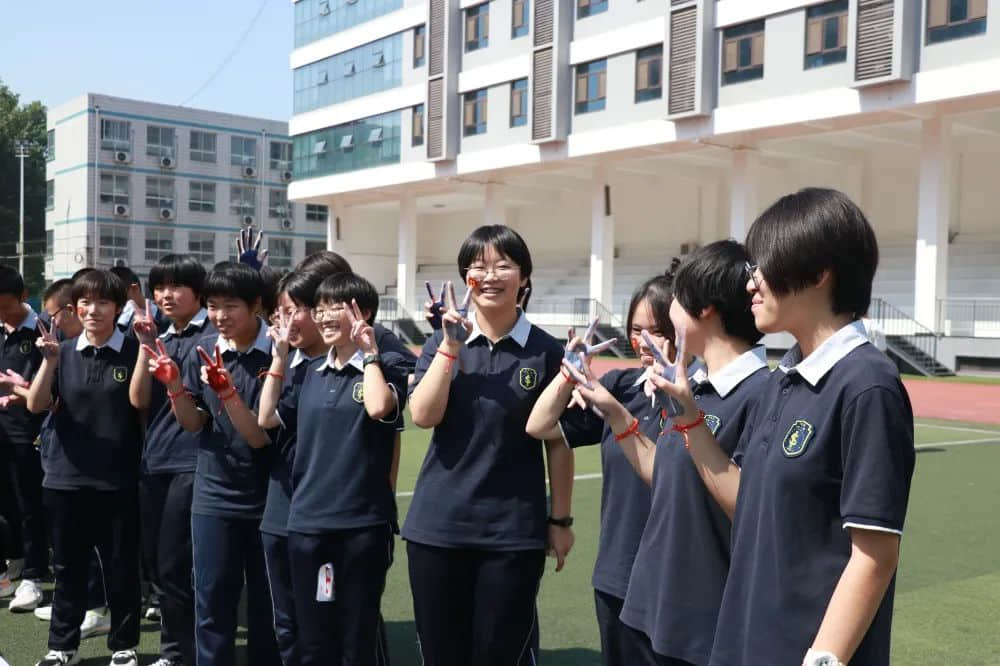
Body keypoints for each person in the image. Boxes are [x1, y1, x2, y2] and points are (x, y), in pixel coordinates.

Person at [650, 188, 916, 666]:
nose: (751, 283)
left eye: (762, 267)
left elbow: (874, 554)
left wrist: (822, 659)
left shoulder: (867, 384)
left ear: (818, 274)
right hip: (744, 640)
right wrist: (689, 415)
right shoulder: (783, 381)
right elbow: (746, 501)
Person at [563, 241, 770, 665]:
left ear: (706, 308)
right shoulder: (697, 389)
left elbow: (756, 511)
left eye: (675, 299)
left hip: (705, 623)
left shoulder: (763, 394)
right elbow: (667, 476)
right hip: (653, 609)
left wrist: (690, 418)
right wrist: (617, 414)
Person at [405, 225, 574, 666]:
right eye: (478, 266)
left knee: (499, 655)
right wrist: (448, 348)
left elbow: (559, 442)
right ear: (466, 279)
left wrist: (560, 519)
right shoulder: (441, 341)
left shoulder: (546, 352)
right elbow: (423, 416)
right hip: (437, 530)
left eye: (503, 265)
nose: (490, 275)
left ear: (524, 277)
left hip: (512, 534)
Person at [257, 273, 409, 665]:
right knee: (313, 638)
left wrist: (370, 352)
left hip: (362, 526)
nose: (324, 318)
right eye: (319, 309)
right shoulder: (307, 371)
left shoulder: (385, 366)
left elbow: (379, 408)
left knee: (356, 635)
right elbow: (266, 417)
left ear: (364, 313)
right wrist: (278, 359)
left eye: (334, 308)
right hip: (307, 523)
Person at [526, 271, 677, 665]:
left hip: (675, 580)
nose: (645, 342)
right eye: (636, 330)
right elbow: (539, 426)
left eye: (658, 330)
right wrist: (566, 376)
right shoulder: (624, 386)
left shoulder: (704, 397)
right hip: (617, 574)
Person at [144, 262, 280, 666]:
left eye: (231, 306)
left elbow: (262, 435)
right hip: (213, 495)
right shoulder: (205, 349)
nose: (220, 316)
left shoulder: (278, 351)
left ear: (256, 305)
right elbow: (193, 422)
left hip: (269, 494)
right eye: (214, 306)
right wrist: (173, 387)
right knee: (212, 601)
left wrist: (228, 393)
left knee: (266, 604)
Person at [26, 269, 143, 666]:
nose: (93, 310)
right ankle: (62, 647)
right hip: (64, 478)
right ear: (74, 308)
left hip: (118, 480)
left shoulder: (132, 351)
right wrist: (49, 363)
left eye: (103, 302)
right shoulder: (61, 351)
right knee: (68, 569)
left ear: (117, 308)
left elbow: (141, 407)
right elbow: (36, 404)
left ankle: (124, 645)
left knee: (121, 569)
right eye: (85, 303)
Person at [130, 255, 213, 666]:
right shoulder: (159, 334)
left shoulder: (212, 338)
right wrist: (146, 345)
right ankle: (180, 648)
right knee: (162, 566)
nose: (165, 294)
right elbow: (138, 399)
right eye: (159, 286)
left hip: (194, 463)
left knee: (178, 564)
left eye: (176, 286)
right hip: (156, 461)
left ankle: (180, 652)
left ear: (199, 293)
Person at [0, 264, 48, 612]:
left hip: (31, 432)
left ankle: (34, 574)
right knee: (5, 501)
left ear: (22, 296)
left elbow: (45, 388)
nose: (2, 315)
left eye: (5, 306)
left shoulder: (44, 330)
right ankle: (14, 559)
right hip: (1, 431)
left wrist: (15, 389)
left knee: (30, 502)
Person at [110, 265, 167, 339]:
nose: (115, 301)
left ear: (134, 288)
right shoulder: (119, 324)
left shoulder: (168, 318)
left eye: (117, 295)